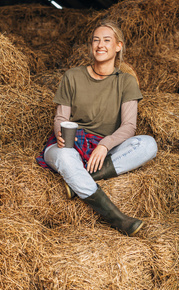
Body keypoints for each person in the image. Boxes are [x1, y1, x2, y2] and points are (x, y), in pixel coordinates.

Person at [36, 19, 157, 236]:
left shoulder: (126, 82)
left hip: (102, 149)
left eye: (107, 40)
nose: (100, 45)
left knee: (148, 144)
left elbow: (129, 126)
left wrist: (104, 144)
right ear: (91, 46)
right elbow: (60, 117)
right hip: (68, 145)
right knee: (65, 159)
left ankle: (76, 182)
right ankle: (119, 219)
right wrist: (60, 134)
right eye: (96, 40)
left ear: (118, 46)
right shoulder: (72, 76)